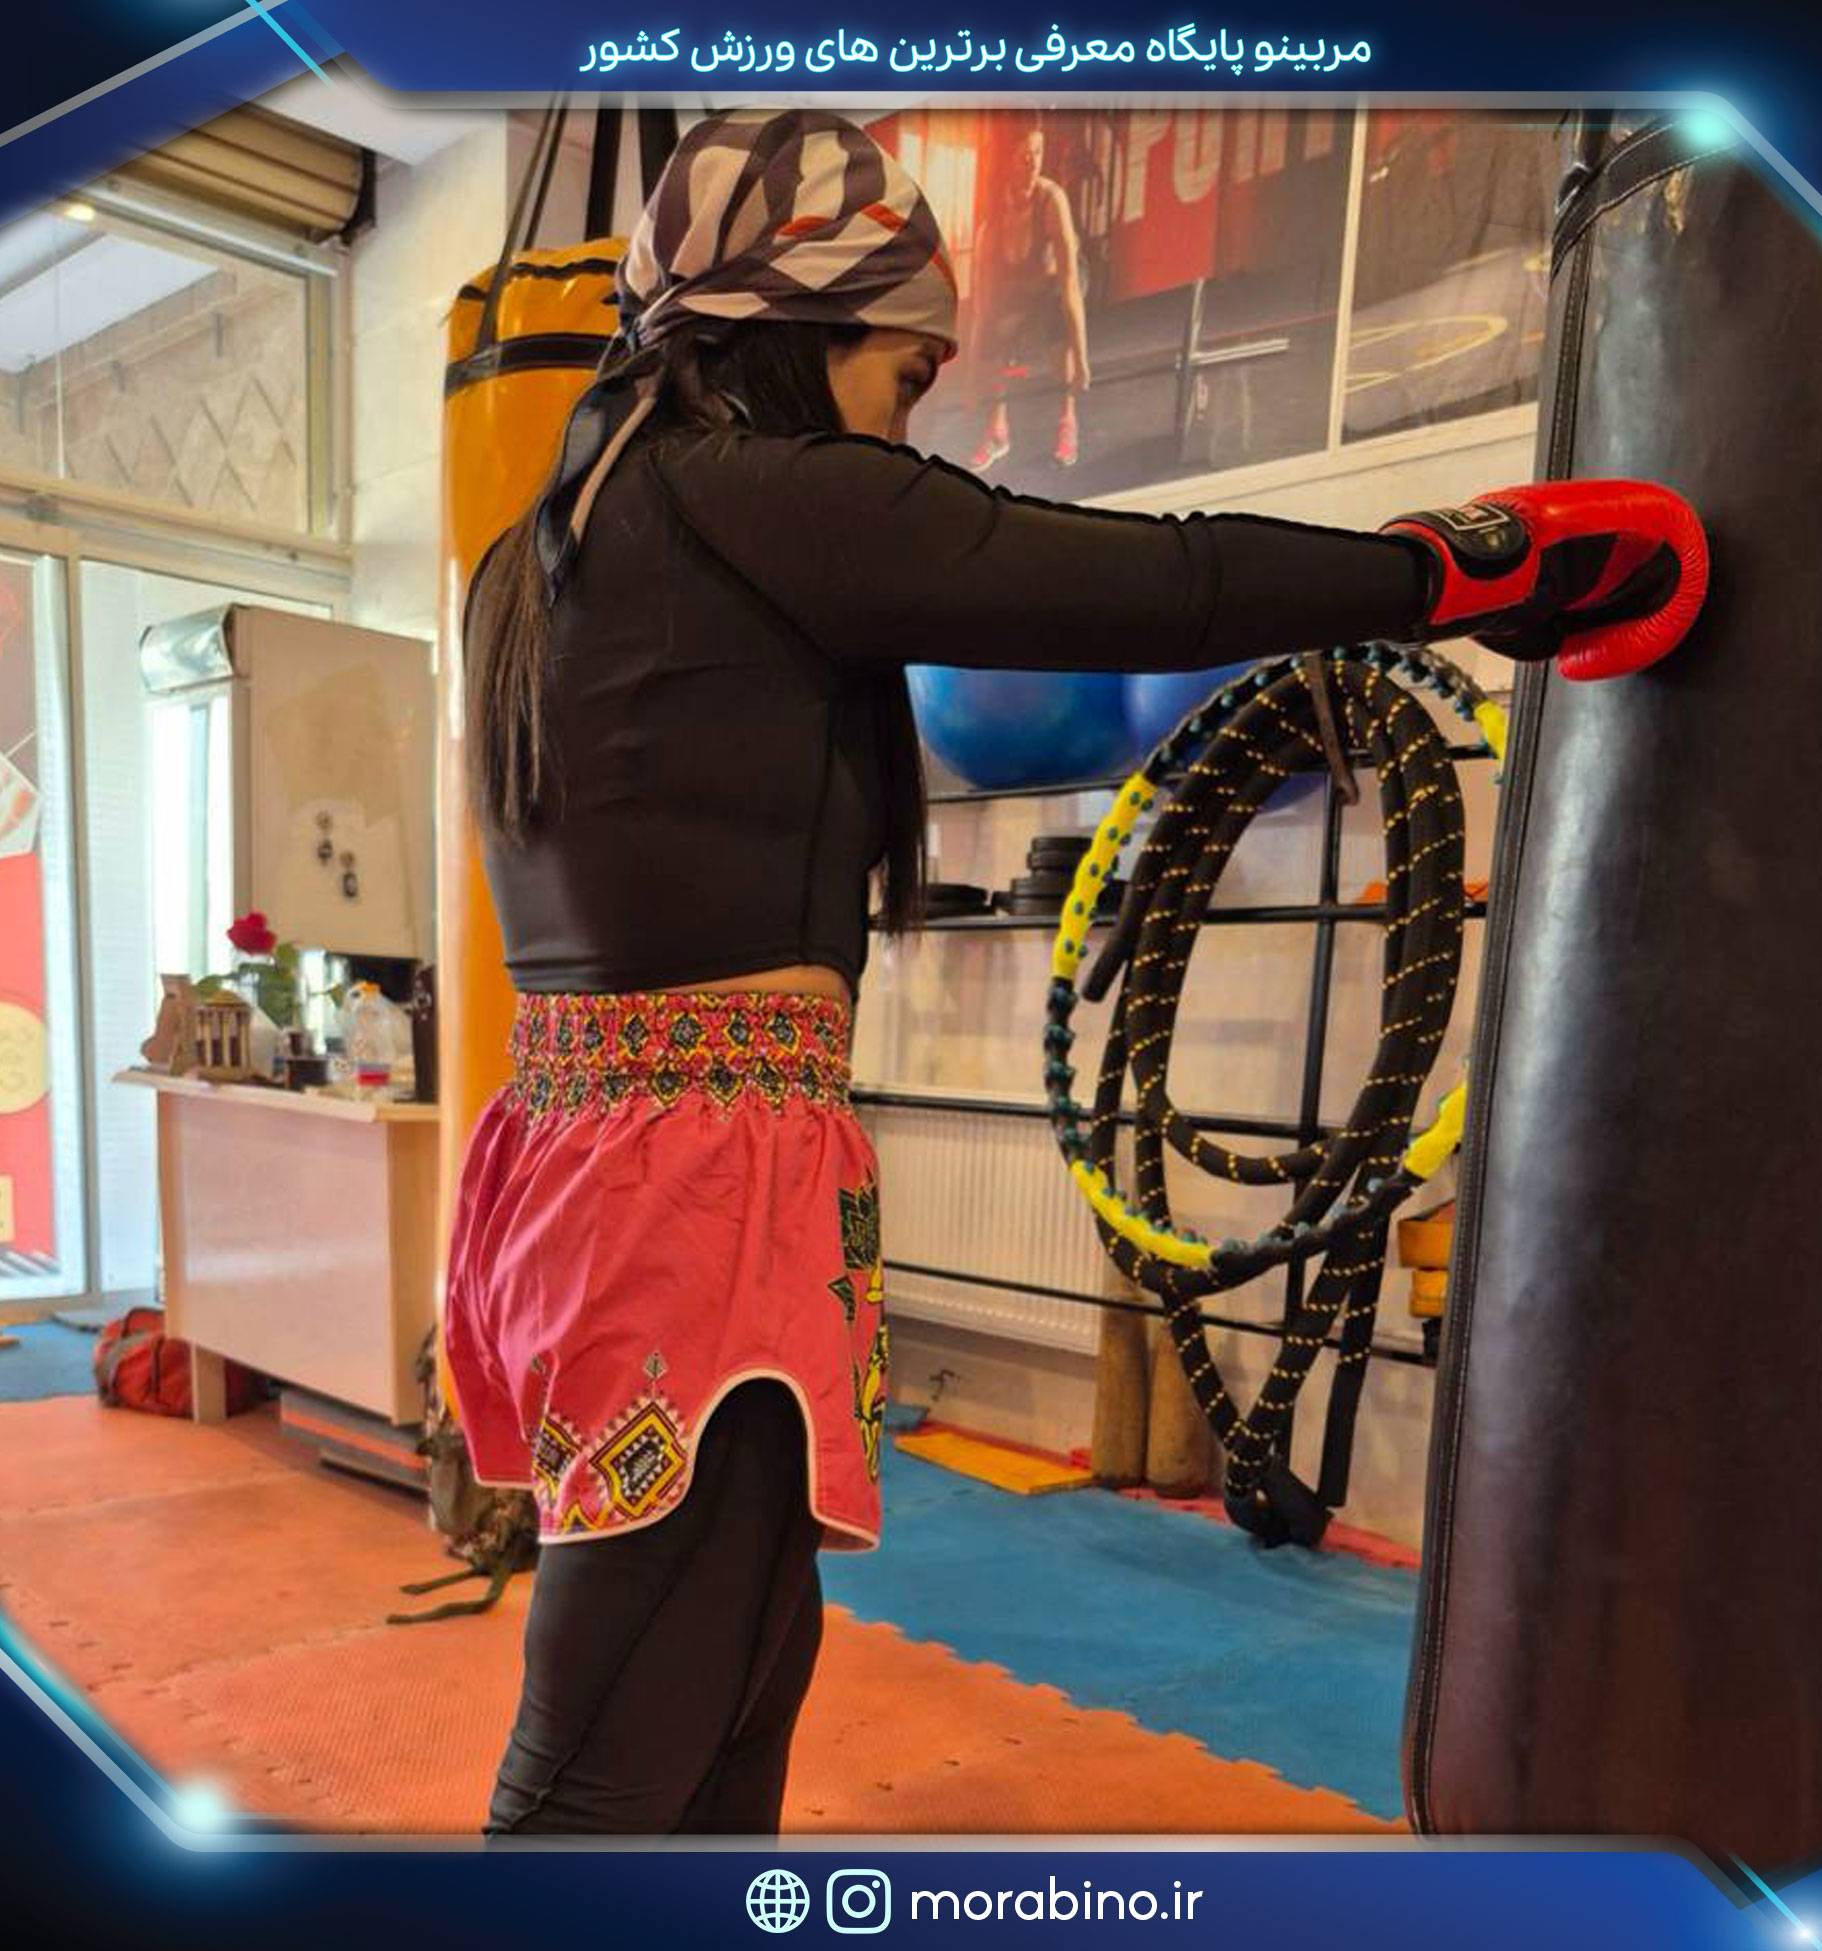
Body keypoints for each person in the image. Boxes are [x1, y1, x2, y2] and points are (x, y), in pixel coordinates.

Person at [448, 105, 1703, 1837]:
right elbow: (1150, 583)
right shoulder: (747, 495)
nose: (911, 420)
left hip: (608, 1164)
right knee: (617, 1744)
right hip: (688, 1184)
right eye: (904, 375)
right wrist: (1454, 564)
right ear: (807, 327)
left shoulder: (549, 544)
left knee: (730, 1667)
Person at [966, 117, 1091, 472]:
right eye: (1024, 155)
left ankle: (1067, 421)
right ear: (1007, 160)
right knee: (994, 335)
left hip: (1059, 281)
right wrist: (973, 377)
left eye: (1038, 152)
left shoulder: (1052, 200)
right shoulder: (992, 219)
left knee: (1058, 331)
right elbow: (983, 307)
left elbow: (1069, 285)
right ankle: (997, 431)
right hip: (1021, 285)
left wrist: (1082, 360)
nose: (1033, 162)